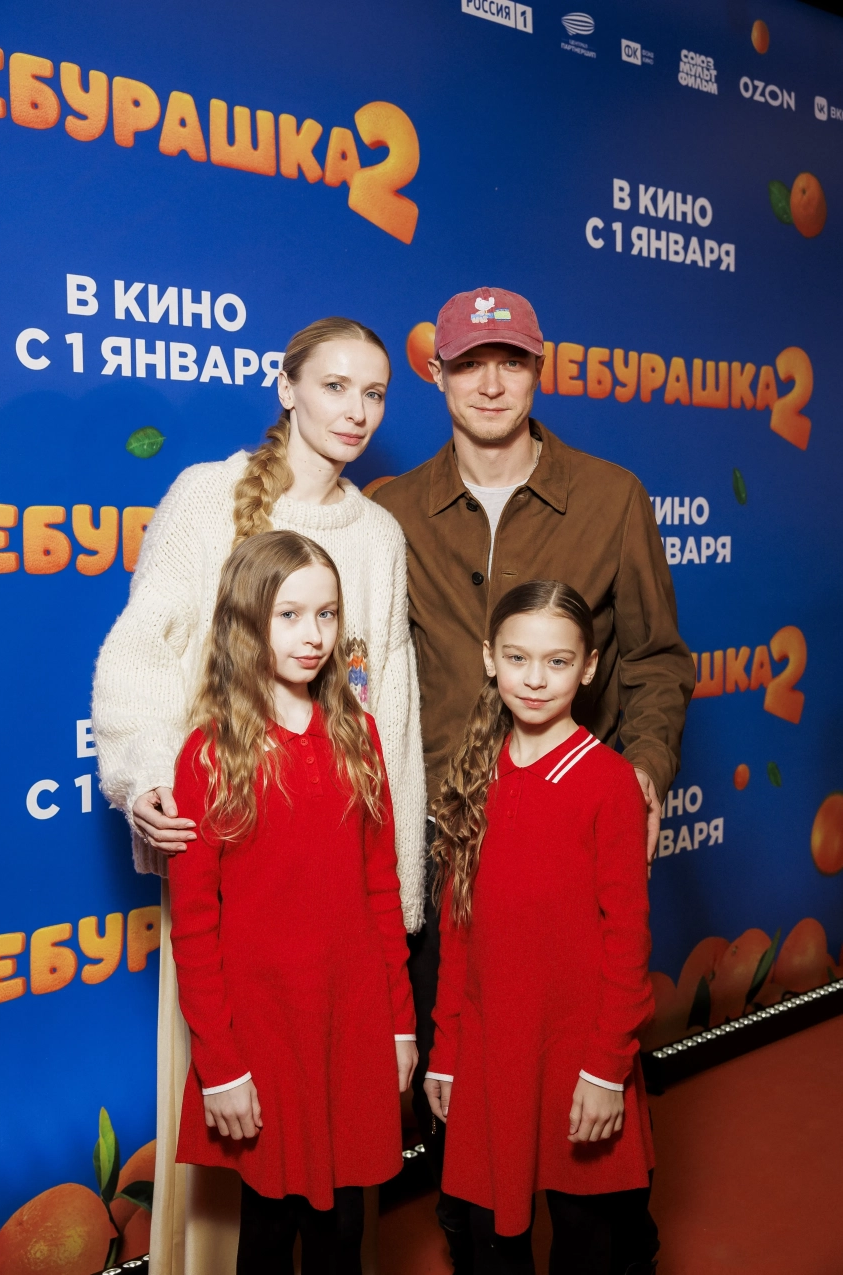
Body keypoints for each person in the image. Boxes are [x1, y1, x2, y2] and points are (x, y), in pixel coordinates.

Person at [92, 317, 425, 1275]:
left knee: (336, 1178)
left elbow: (390, 710)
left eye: (375, 393)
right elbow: (144, 644)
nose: (357, 411)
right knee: (244, 1145)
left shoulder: (380, 534)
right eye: (335, 386)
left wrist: (398, 908)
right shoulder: (207, 494)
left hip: (337, 884)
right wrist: (144, 774)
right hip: (233, 851)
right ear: (287, 387)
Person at [373, 287, 694, 1268]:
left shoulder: (611, 495)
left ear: (538, 366)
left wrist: (644, 771)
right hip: (449, 851)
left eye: (509, 360)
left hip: (568, 848)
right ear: (437, 374)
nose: (490, 383)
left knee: (596, 1147)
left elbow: (655, 660)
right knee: (466, 1128)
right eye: (469, 363)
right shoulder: (387, 513)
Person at [169, 530, 417, 1275]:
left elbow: (381, 888)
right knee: (270, 1231)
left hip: (352, 1022)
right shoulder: (210, 753)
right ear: (247, 620)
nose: (314, 636)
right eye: (290, 615)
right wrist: (221, 1066)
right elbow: (195, 927)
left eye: (327, 614)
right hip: (265, 1035)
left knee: (343, 1228)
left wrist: (400, 1022)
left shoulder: (358, 735)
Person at [425, 581, 658, 1275]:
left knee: (585, 1242)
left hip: (577, 1053)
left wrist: (606, 1069)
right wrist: (446, 1050)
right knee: (490, 1241)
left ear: (589, 667)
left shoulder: (610, 783)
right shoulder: (475, 772)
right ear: (488, 657)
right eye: (517, 657)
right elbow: (458, 931)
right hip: (491, 1049)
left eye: (557, 662)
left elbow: (628, 943)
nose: (535, 679)